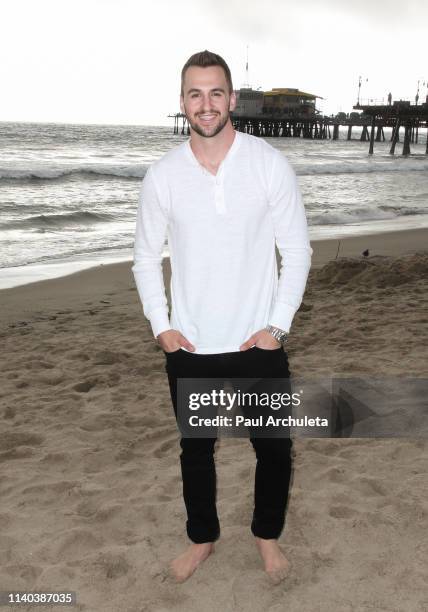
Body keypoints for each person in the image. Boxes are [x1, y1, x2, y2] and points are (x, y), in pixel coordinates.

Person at [132, 50, 312, 584]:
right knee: (196, 451)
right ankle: (202, 539)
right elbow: (145, 257)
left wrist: (276, 326)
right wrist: (161, 327)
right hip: (190, 343)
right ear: (182, 101)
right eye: (195, 93)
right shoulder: (163, 175)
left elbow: (297, 251)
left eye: (215, 93)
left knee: (274, 450)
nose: (205, 104)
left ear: (231, 99)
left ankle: (266, 537)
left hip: (258, 341)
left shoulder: (267, 163)